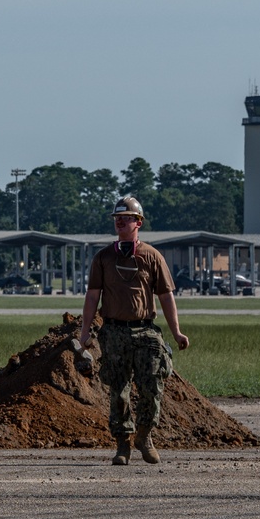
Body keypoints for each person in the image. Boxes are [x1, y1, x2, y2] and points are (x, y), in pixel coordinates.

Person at [78, 196, 190, 465]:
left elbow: (166, 296)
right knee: (119, 390)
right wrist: (84, 332)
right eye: (117, 218)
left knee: (152, 386)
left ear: (138, 222)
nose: (120, 221)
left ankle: (144, 436)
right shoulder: (103, 257)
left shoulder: (152, 256)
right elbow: (92, 296)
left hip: (145, 331)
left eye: (126, 217)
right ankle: (122, 444)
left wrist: (176, 332)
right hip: (114, 332)